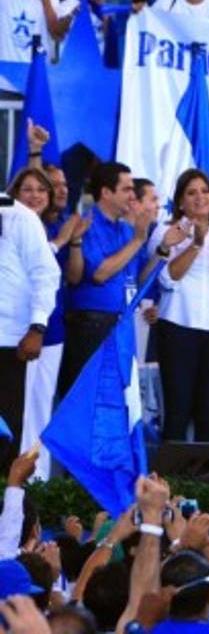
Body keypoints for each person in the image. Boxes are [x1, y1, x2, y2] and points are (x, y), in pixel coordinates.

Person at [151, 169, 209, 441]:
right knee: (177, 413)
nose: (200, 197)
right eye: (191, 192)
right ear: (180, 202)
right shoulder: (167, 232)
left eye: (205, 191)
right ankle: (170, 470)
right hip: (177, 326)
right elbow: (167, 278)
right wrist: (196, 245)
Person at [59, 161, 156, 400]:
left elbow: (138, 277)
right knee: (85, 401)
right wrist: (138, 241)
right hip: (90, 327)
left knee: (112, 402)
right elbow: (100, 273)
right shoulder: (87, 224)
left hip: (120, 325)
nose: (133, 195)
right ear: (106, 192)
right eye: (127, 189)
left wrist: (163, 249)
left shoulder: (125, 229)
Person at [6, 167, 72, 475]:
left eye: (41, 189)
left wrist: (36, 328)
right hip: (15, 334)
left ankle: (27, 489)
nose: (35, 195)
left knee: (28, 413)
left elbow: (50, 276)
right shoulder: (14, 217)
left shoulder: (34, 219)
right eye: (28, 189)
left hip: (30, 334)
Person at [0, 189, 58, 473]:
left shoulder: (19, 217)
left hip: (9, 341)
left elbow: (46, 275)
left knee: (5, 432)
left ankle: (6, 495)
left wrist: (37, 327)